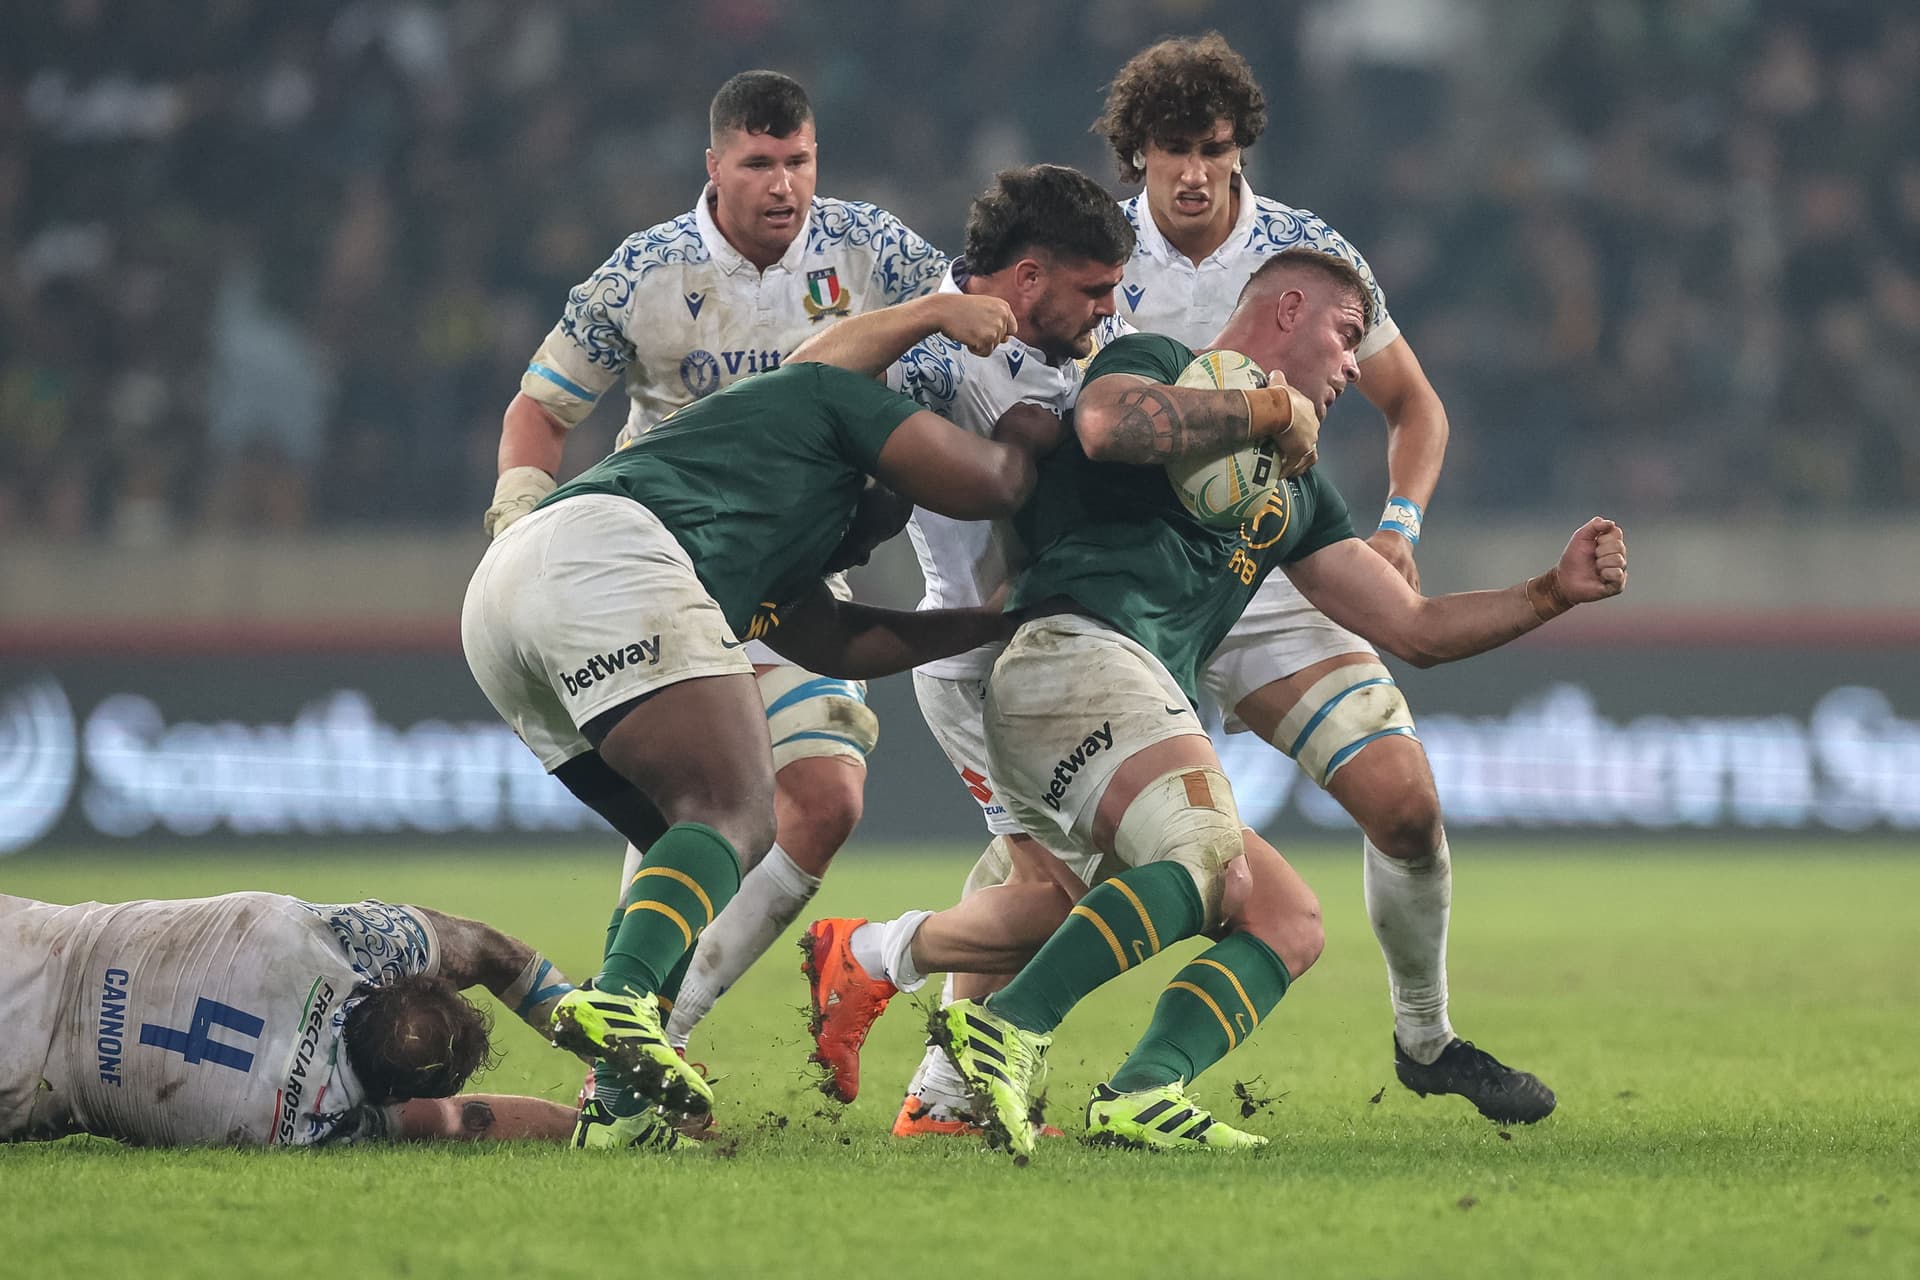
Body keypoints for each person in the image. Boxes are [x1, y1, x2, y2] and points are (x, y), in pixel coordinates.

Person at [848, 33, 1548, 1132]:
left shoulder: (1301, 258)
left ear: (1239, 152)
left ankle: (1426, 1037)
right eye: (1169, 151)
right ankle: (945, 1076)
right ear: (1135, 156)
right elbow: (1065, 407)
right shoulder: (1097, 257)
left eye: (1211, 150)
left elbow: (1414, 404)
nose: (1191, 173)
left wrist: (1402, 522)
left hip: (1254, 574)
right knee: (1068, 864)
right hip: (1116, 593)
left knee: (1403, 807)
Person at [824, 249, 1627, 1161]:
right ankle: (1005, 1026)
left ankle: (1140, 1089)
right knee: (1197, 851)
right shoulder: (1155, 361)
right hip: (1067, 655)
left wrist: (1550, 592)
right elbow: (1102, 422)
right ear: (1287, 310)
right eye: (1346, 335)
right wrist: (1266, 406)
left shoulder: (1293, 490)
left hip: (1134, 697)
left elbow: (1415, 627)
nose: (1354, 367)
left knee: (1286, 919)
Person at [461, 299, 1047, 1144]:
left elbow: (841, 638)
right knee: (739, 811)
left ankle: (619, 1106)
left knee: (681, 848)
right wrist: (1029, 431)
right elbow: (989, 475)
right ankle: (623, 1005)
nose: (848, 560)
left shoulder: (770, 516)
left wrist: (989, 625)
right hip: (603, 552)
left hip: (500, 600)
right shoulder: (820, 409)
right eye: (859, 541)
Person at [483, 70, 949, 1059]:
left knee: (825, 795)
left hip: (786, 571)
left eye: (799, 161)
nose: (784, 184)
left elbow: (970, 320)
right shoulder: (644, 273)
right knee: (689, 807)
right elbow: (542, 406)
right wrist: (517, 509)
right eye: (759, 163)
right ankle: (636, 1040)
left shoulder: (871, 248)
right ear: (715, 167)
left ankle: (656, 1026)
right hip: (657, 565)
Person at [777, 163, 1141, 1123]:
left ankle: (943, 1098)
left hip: (1053, 656)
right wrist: (930, 318)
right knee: (1067, 901)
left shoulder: (1079, 343)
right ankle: (865, 955)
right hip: (980, 667)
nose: (1110, 309)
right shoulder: (949, 347)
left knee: (1038, 885)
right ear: (1027, 277)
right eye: (1095, 290)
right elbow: (805, 378)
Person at [0, 890, 586, 1148]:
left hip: (25, 942)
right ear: (391, 1093)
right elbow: (465, 1121)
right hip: (22, 1080)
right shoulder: (302, 1124)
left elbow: (486, 949)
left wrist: (608, 1044)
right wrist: (589, 1118)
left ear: (385, 987)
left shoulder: (305, 939)